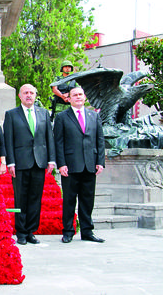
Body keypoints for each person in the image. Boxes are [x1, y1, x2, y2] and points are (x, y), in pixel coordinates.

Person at [3, 84, 56, 245]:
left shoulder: (43, 113)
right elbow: (8, 140)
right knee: (20, 198)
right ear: (19, 96)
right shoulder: (12, 114)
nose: (28, 95)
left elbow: (49, 138)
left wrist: (51, 159)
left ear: (35, 95)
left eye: (31, 93)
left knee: (35, 198)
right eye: (25, 93)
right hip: (20, 163)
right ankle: (21, 232)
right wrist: (10, 161)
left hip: (39, 162)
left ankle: (31, 231)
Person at [53, 87, 105, 244]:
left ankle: (88, 231)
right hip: (70, 166)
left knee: (87, 200)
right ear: (69, 99)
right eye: (74, 95)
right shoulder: (62, 117)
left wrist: (100, 162)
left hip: (90, 165)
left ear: (85, 97)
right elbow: (58, 142)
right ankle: (68, 231)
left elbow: (100, 140)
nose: (78, 97)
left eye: (80, 94)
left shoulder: (94, 116)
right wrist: (61, 164)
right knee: (69, 200)